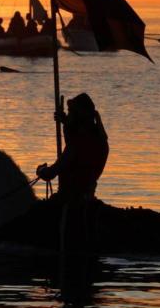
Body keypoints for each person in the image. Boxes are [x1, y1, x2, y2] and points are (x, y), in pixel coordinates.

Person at [36, 93, 109, 252]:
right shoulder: (101, 141)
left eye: (70, 113)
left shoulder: (77, 144)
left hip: (70, 201)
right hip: (88, 199)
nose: (68, 116)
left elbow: (51, 173)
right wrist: (66, 123)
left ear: (78, 117)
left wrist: (41, 170)